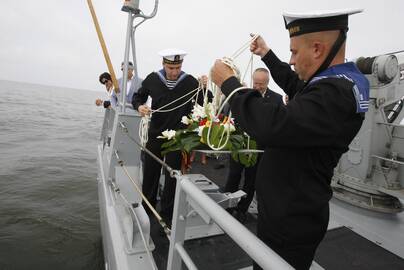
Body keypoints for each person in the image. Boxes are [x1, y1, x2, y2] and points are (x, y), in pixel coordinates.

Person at [211, 9, 369, 269]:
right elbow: (296, 85)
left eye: (294, 52)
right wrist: (267, 55)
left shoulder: (336, 93)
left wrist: (229, 84)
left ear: (317, 49)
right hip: (286, 209)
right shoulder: (332, 84)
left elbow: (273, 125)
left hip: (291, 220)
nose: (292, 61)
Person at [132, 48, 202, 224]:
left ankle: (168, 214)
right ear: (163, 64)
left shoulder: (191, 82)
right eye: (171, 68)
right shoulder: (153, 79)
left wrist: (205, 87)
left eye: (178, 68)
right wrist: (139, 107)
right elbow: (137, 97)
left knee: (172, 176)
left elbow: (203, 102)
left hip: (178, 137)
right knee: (150, 174)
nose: (175, 72)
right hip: (156, 134)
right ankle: (146, 210)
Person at [224, 68, 282, 223]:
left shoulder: (277, 99)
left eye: (261, 84)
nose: (257, 87)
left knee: (251, 181)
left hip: (259, 149)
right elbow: (231, 115)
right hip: (240, 145)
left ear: (267, 83)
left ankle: (242, 209)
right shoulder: (243, 94)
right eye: (255, 83)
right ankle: (226, 207)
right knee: (233, 176)